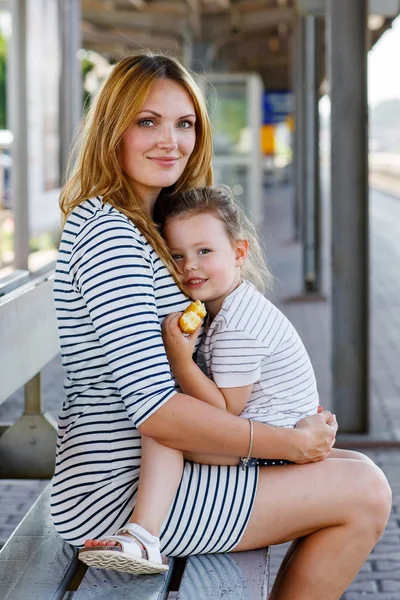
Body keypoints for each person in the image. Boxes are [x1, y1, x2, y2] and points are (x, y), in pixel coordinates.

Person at [52, 51, 391, 600]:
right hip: (120, 498)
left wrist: (296, 442)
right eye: (147, 121)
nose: (171, 141)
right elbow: (156, 410)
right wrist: (287, 442)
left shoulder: (142, 226)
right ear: (112, 129)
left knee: (349, 465)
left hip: (148, 477)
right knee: (365, 490)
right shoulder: (111, 237)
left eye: (184, 123)